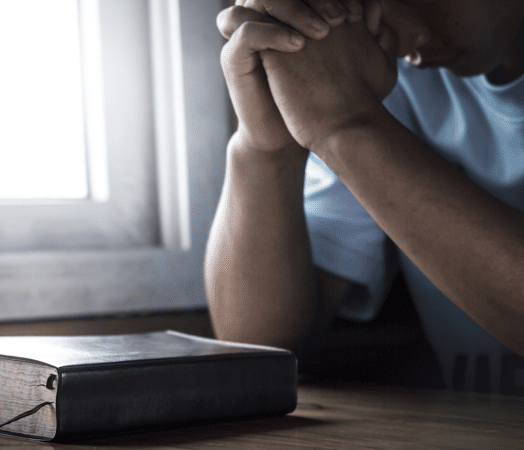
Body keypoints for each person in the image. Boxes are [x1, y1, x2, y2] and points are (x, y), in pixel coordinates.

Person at [206, 0, 524, 394]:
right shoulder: (384, 78)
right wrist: (264, 146)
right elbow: (257, 349)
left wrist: (347, 126)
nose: (408, 41)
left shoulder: (358, 103)